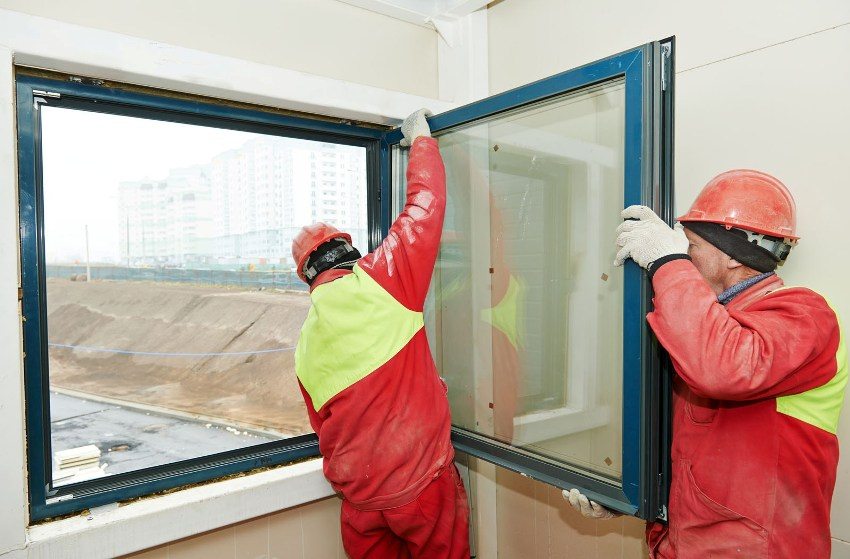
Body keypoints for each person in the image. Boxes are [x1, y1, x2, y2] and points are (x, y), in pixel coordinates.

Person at [566, 170, 846, 558]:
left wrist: (667, 261)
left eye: (691, 245)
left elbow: (725, 370)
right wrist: (631, 494)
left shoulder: (805, 314)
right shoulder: (703, 323)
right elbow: (694, 452)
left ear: (732, 254)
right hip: (685, 542)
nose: (685, 254)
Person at [291, 109, 470, 559]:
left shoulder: (306, 344)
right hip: (420, 487)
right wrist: (423, 142)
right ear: (349, 250)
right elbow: (424, 209)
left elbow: (326, 423)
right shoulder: (383, 279)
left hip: (360, 503)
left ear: (309, 277)